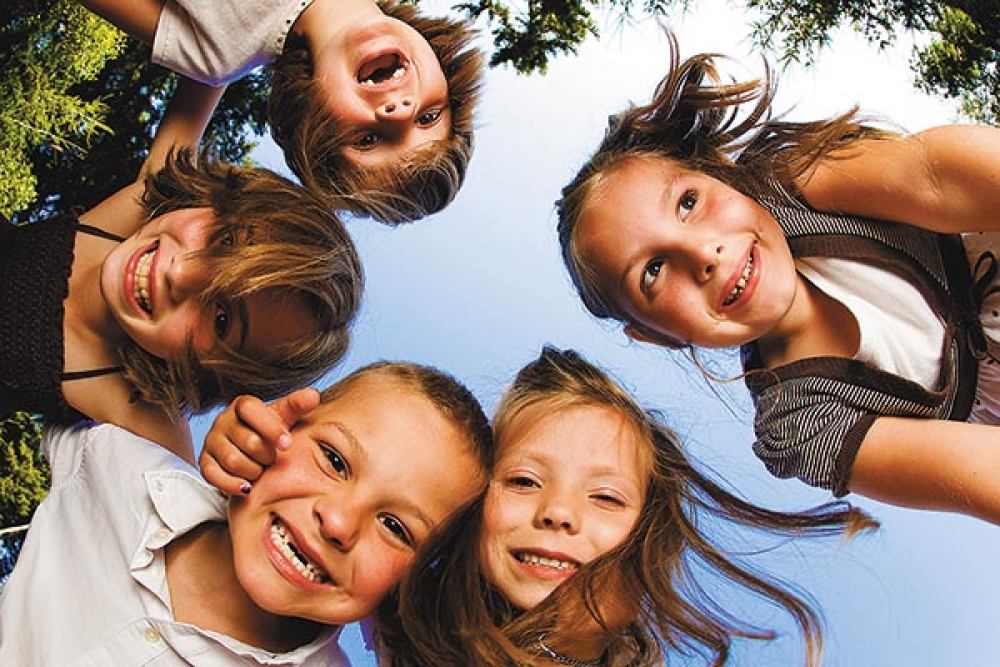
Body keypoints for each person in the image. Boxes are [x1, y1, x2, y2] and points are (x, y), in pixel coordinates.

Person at [556, 33, 1000, 525]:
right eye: (653, 271)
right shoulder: (797, 426)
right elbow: (983, 474)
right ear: (658, 335)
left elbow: (936, 178)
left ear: (722, 180)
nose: (703, 254)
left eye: (688, 202)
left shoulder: (792, 186)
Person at [367, 347, 874, 666]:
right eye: (523, 481)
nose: (558, 512)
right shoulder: (404, 603)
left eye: (606, 497)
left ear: (647, 531)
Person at [0, 360, 492, 665]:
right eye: (334, 460)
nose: (338, 522)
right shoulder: (121, 466)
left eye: (395, 527)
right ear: (279, 426)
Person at [1, 77, 362, 462]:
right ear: (217, 201)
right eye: (225, 241)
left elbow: (186, 492)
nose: (179, 275)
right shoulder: (139, 209)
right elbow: (213, 63)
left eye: (221, 320)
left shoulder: (140, 419)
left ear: (214, 373)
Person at [80, 0, 486, 223]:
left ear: (311, 123)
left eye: (368, 141)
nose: (401, 112)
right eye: (428, 118)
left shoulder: (216, 52)